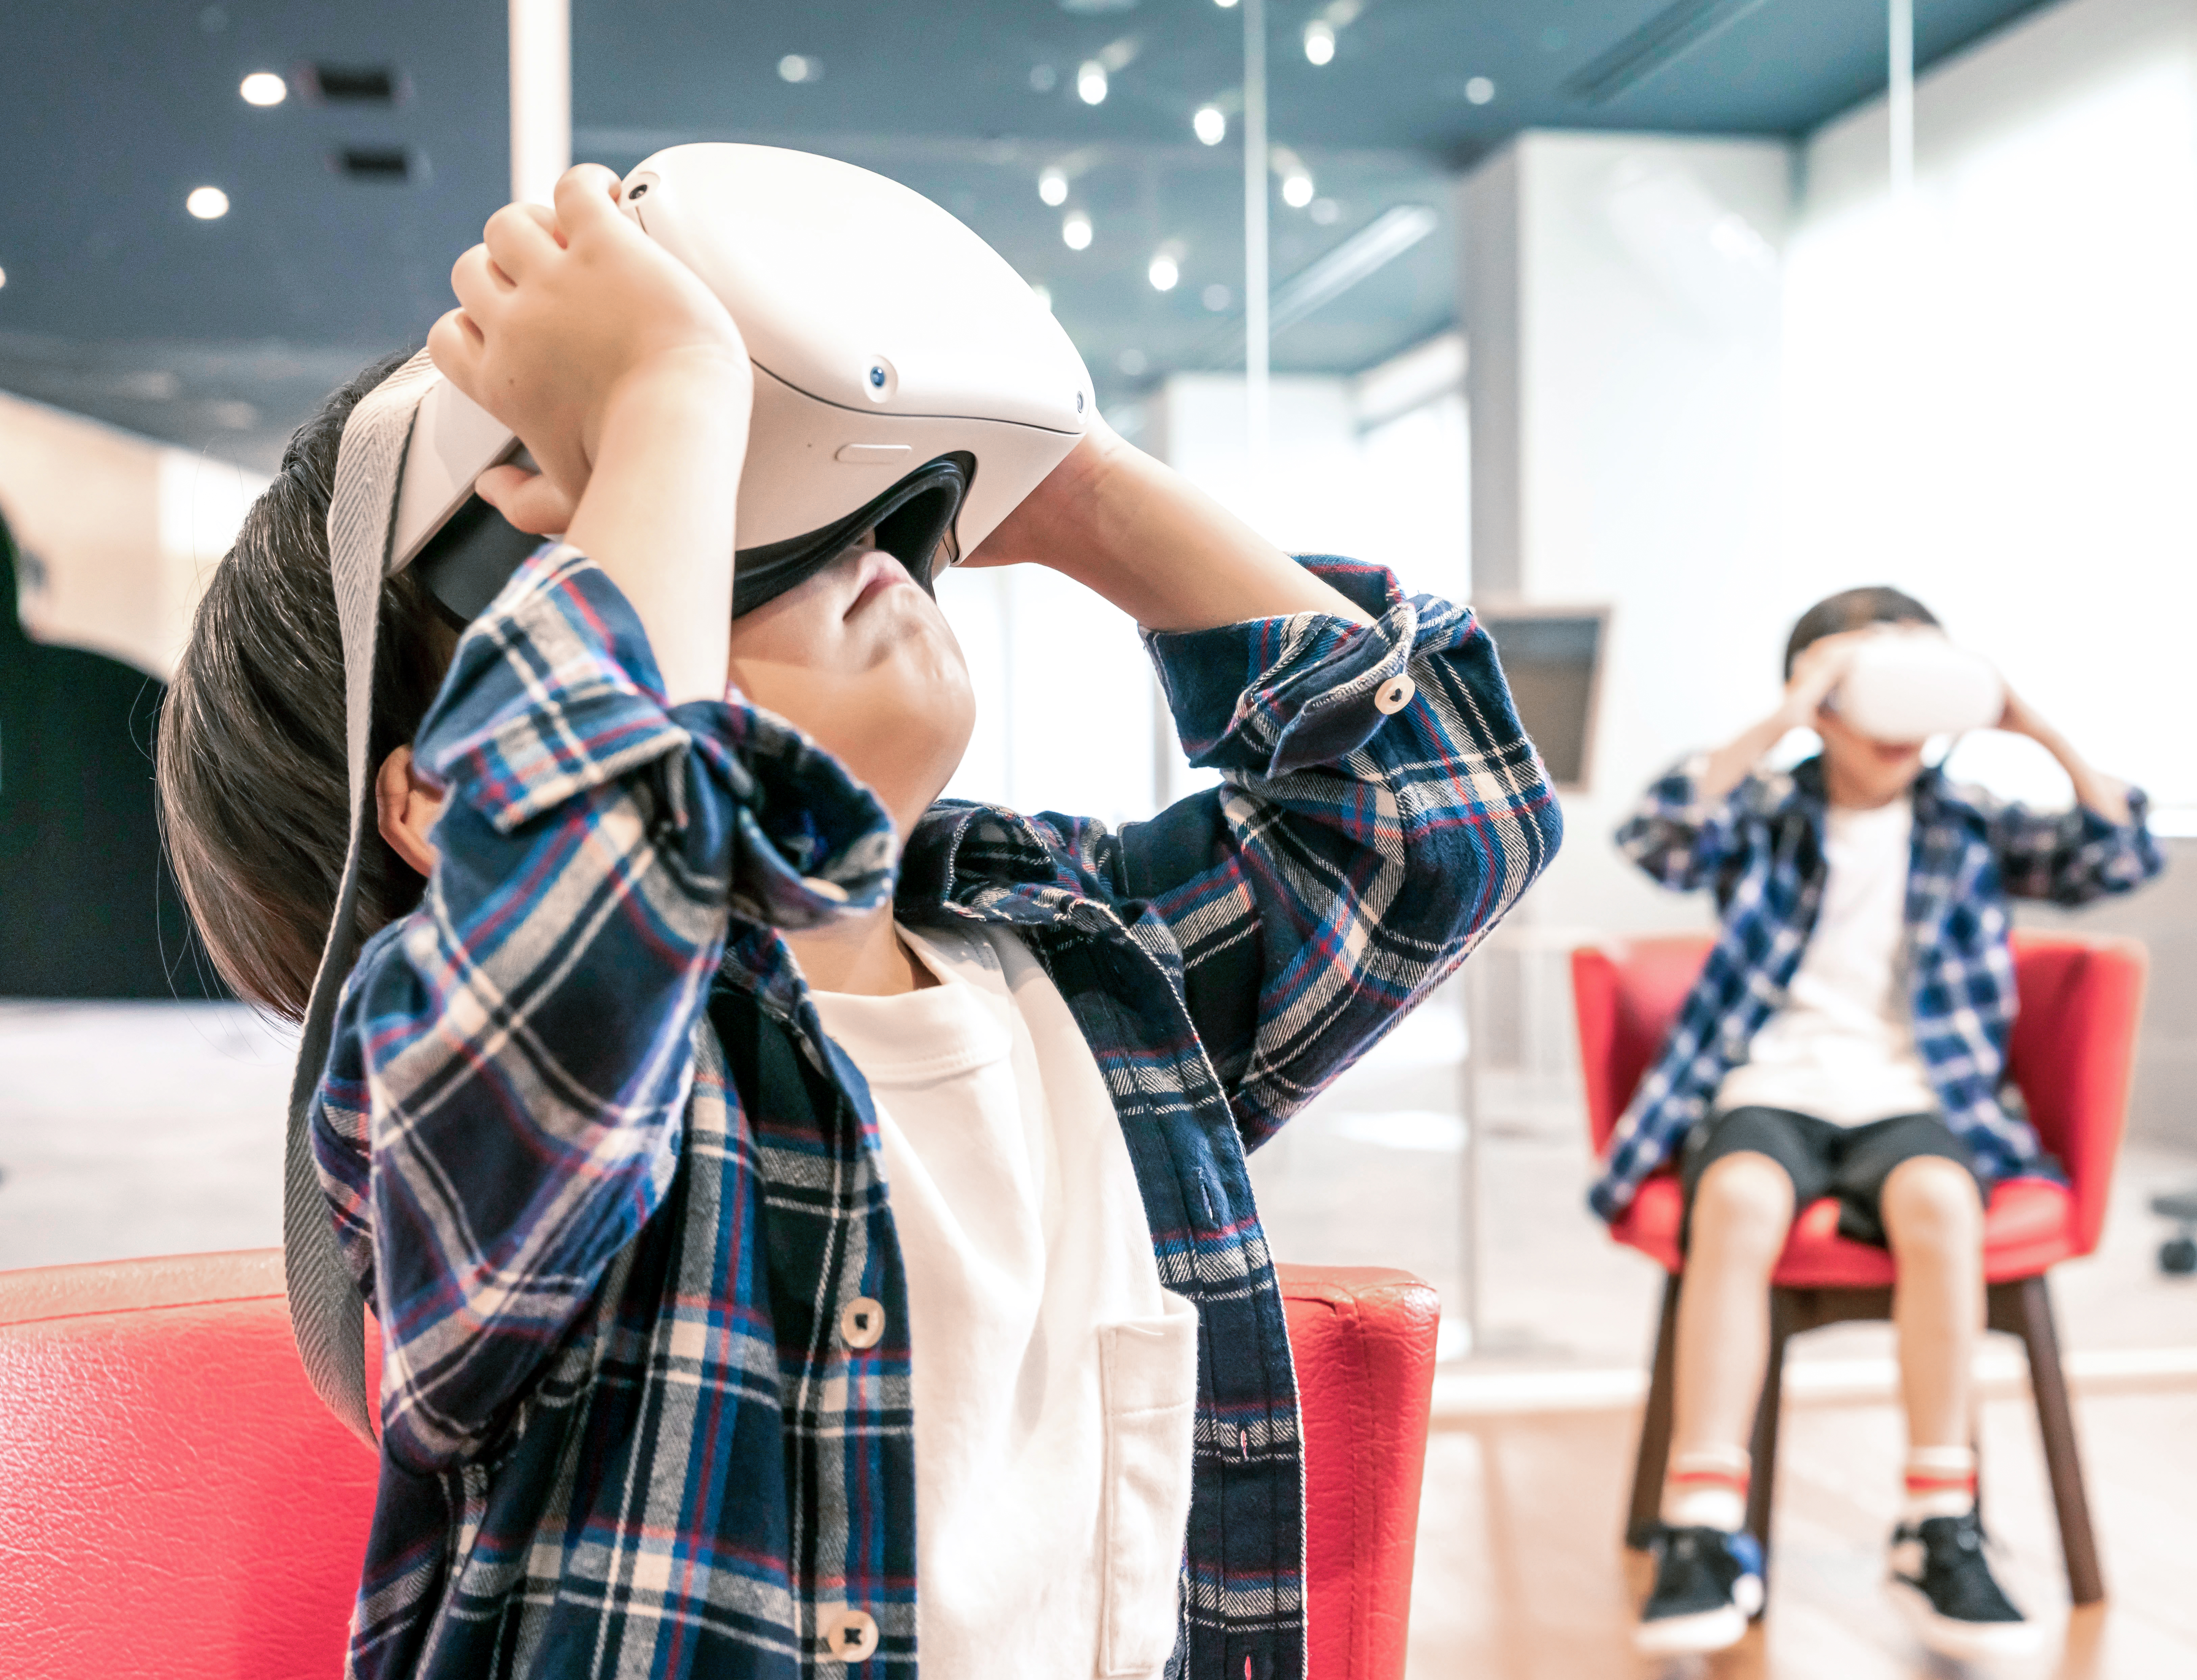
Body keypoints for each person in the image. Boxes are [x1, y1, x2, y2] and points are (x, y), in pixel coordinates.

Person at [154, 165, 1562, 1678]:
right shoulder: (493, 1114)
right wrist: (667, 406)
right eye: (692, 520)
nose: (843, 540)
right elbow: (589, 897)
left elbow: (1432, 821)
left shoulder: (1075, 975)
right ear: (442, 798)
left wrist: (1053, 471)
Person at [1590, 585, 2161, 1661]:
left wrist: (2027, 721)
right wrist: (1791, 707)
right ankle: (1704, 1521)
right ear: (1822, 707)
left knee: (1944, 1203)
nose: (1895, 729)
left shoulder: (1970, 822)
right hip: (1771, 1081)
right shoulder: (1769, 811)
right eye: (1867, 696)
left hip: (1914, 1096)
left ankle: (1937, 1519)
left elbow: (2119, 853)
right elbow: (1659, 836)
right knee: (1741, 1200)